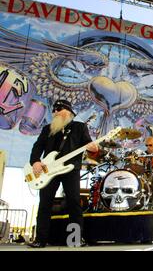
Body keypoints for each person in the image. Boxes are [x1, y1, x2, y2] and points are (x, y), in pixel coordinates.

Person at [27, 100, 98, 248]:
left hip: (70, 170)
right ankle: (40, 240)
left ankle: (76, 239)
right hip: (48, 171)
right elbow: (38, 146)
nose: (55, 112)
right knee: (45, 204)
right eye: (54, 110)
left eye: (59, 109)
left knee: (74, 202)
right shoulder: (48, 129)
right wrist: (35, 162)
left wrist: (93, 148)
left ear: (68, 111)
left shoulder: (79, 127)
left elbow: (89, 145)